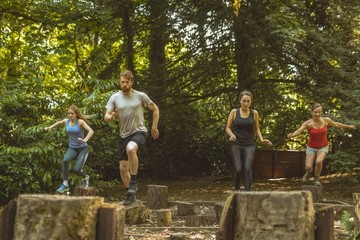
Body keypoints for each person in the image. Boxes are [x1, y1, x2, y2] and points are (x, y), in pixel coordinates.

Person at [104, 69, 160, 205]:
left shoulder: (140, 96)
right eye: (122, 82)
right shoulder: (115, 97)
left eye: (126, 82)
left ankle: (133, 181)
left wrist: (154, 127)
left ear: (132, 82)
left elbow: (155, 109)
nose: (123, 84)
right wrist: (111, 117)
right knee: (123, 168)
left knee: (131, 149)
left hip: (139, 131)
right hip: (124, 134)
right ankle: (130, 192)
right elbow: (106, 117)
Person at [287, 103, 356, 186]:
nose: (318, 114)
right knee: (308, 167)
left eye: (319, 112)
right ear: (311, 112)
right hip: (311, 147)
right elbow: (299, 131)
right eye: (315, 112)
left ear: (322, 112)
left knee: (319, 161)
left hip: (323, 146)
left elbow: (336, 124)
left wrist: (348, 126)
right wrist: (292, 135)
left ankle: (316, 179)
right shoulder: (308, 123)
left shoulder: (326, 120)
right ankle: (308, 172)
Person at [225, 90, 272, 191]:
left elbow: (256, 128)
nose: (246, 103)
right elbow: (228, 127)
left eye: (248, 101)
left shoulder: (254, 113)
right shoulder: (234, 112)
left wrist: (261, 139)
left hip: (249, 144)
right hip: (236, 144)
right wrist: (232, 134)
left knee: (247, 168)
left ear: (251, 101)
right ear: (240, 101)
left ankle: (248, 193)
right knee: (238, 169)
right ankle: (237, 190)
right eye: (244, 101)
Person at [45, 105, 94, 193]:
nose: (70, 115)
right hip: (72, 148)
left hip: (83, 148)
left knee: (77, 169)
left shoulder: (80, 122)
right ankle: (65, 184)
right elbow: (59, 123)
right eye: (69, 113)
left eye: (72, 113)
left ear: (76, 114)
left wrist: (85, 140)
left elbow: (91, 131)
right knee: (65, 161)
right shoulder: (66, 121)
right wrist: (50, 127)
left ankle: (85, 177)